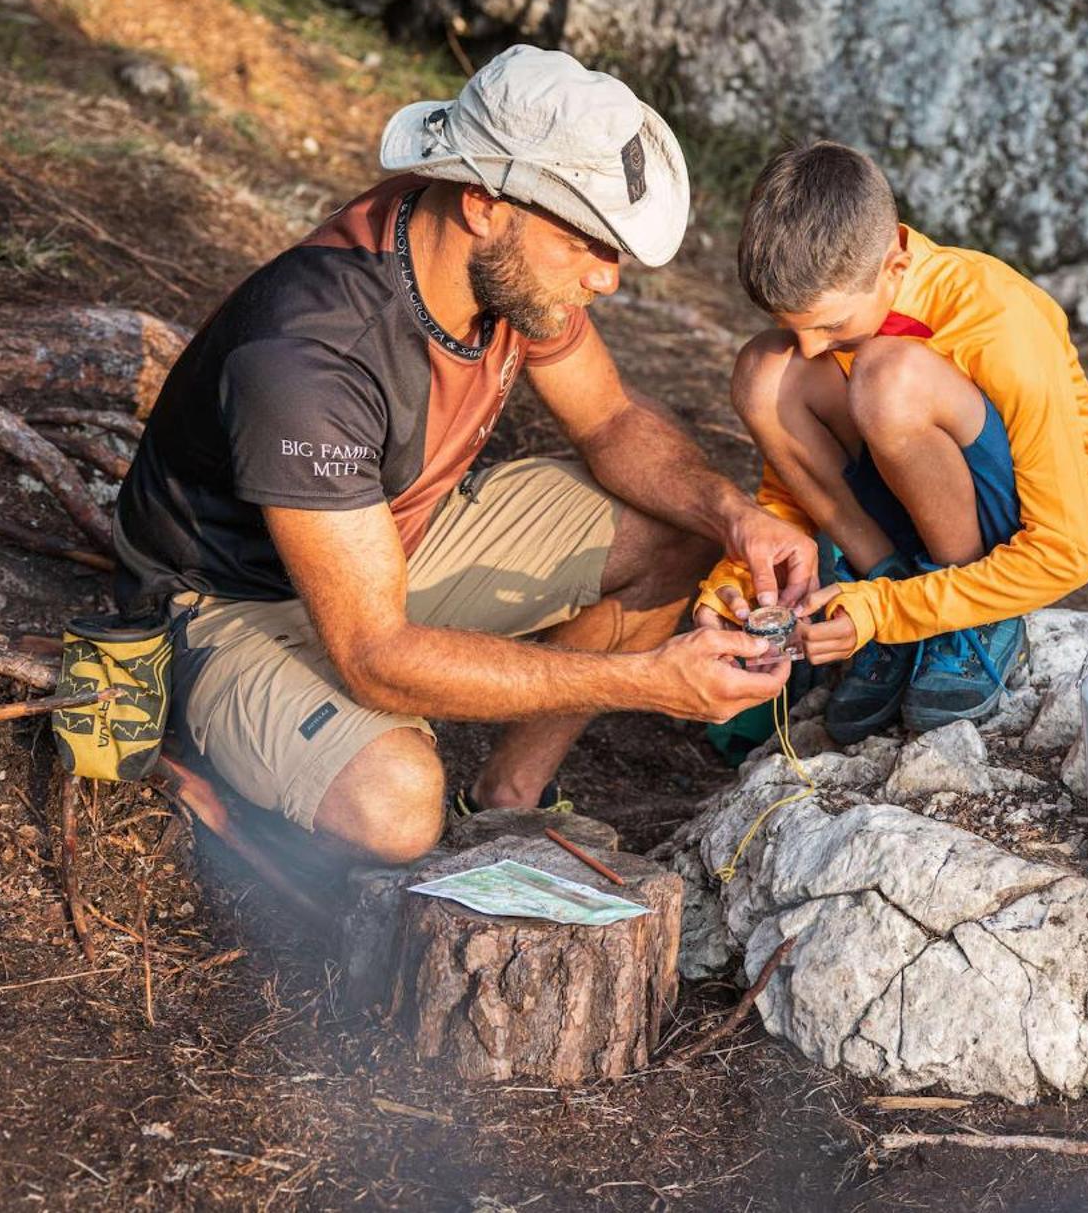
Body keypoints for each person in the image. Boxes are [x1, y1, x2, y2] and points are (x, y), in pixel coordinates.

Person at [112, 46, 818, 865]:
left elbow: (614, 420)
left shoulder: (498, 266)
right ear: (484, 202)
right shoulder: (309, 357)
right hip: (226, 607)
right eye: (585, 242)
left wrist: (737, 515)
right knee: (397, 802)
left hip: (383, 549)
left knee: (681, 523)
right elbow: (376, 653)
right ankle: (227, 740)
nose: (607, 278)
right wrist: (646, 680)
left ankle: (507, 801)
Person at [695, 140, 1088, 743]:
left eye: (831, 326)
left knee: (887, 376)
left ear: (894, 264)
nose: (815, 348)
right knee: (765, 369)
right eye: (800, 326)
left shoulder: (995, 318)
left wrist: (887, 614)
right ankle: (887, 583)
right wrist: (737, 578)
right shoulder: (834, 318)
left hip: (1014, 523)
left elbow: (1068, 549)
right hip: (901, 511)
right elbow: (792, 484)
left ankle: (967, 626)